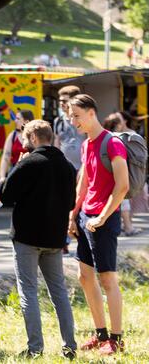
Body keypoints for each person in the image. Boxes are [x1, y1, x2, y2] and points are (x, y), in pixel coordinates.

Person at [0, 120, 77, 359]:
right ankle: (70, 346)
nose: (22, 143)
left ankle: (35, 348)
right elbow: (71, 203)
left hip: (26, 237)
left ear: (33, 138)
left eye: (24, 137)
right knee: (59, 292)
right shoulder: (66, 165)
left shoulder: (29, 162)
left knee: (28, 292)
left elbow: (5, 196)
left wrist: (16, 167)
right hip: (54, 238)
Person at [67, 94, 128, 355]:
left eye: (76, 115)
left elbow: (122, 185)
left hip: (104, 218)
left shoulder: (112, 143)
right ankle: (100, 334)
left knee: (107, 279)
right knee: (84, 277)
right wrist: (74, 212)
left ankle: (116, 338)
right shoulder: (86, 144)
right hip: (86, 217)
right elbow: (85, 181)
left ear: (91, 113)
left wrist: (103, 216)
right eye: (71, 116)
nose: (73, 121)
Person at [102, 113, 142, 237]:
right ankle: (128, 227)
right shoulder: (117, 139)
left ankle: (125, 226)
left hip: (107, 178)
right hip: (119, 176)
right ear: (118, 124)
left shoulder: (104, 138)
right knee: (123, 202)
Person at [0, 109, 34, 185]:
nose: (15, 121)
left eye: (18, 118)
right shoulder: (13, 136)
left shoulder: (34, 137)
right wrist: (2, 177)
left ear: (26, 121)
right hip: (14, 173)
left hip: (31, 174)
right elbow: (6, 156)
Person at [54, 85, 83, 170]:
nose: (61, 103)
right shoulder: (58, 121)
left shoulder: (83, 119)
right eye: (60, 101)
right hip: (65, 169)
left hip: (83, 168)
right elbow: (57, 145)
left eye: (64, 101)